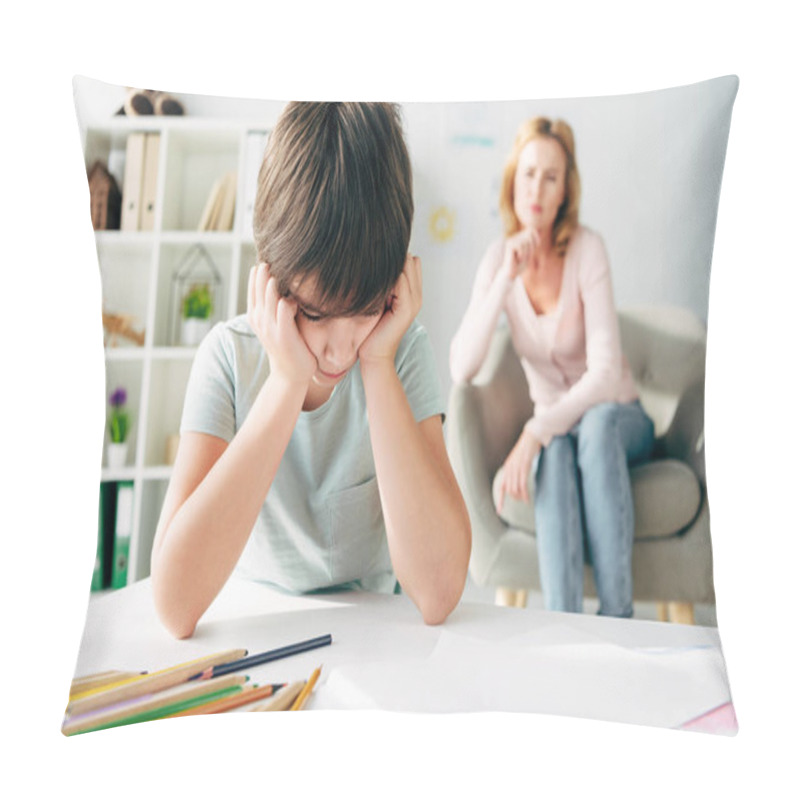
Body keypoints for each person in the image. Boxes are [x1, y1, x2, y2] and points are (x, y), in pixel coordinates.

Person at [151, 102, 471, 639]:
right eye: (315, 314)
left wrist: (379, 364)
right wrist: (284, 383)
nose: (338, 351)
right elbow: (174, 605)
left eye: (366, 310)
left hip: (376, 633)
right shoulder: (228, 359)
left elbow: (438, 595)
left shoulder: (399, 353)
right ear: (269, 279)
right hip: (253, 627)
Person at [449, 117, 654, 618]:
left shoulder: (587, 249)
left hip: (619, 418)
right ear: (512, 180)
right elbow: (462, 368)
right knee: (559, 451)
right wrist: (504, 280)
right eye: (528, 173)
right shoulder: (498, 258)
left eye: (551, 177)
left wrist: (533, 432)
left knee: (595, 425)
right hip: (560, 433)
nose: (536, 188)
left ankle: (617, 620)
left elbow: (605, 374)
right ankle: (564, 627)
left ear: (566, 190)